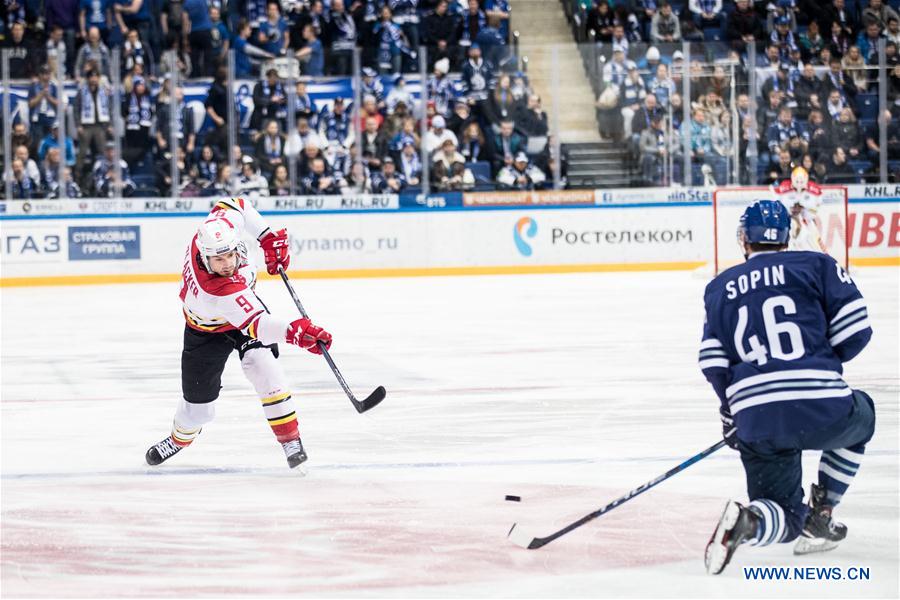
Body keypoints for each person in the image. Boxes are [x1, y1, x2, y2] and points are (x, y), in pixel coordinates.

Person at [701, 200, 875, 575]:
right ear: (787, 235)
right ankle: (823, 514)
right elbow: (856, 331)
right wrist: (819, 364)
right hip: (822, 404)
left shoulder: (717, 288)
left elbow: (713, 364)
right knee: (862, 417)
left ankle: (747, 522)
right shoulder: (817, 265)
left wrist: (730, 411)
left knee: (781, 513)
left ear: (743, 239)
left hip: (756, 415)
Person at [145, 200, 333, 469]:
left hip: (246, 311)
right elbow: (258, 325)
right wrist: (296, 332)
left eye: (231, 255)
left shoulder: (218, 228)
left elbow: (237, 204)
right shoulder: (214, 288)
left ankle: (291, 440)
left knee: (265, 368)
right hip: (206, 331)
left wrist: (266, 236)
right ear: (205, 257)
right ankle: (179, 439)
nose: (227, 264)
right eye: (218, 260)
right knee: (198, 411)